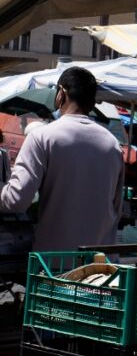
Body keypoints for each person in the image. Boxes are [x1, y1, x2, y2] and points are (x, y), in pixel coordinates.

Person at [0, 67, 123, 251]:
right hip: (99, 264)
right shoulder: (112, 144)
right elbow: (117, 208)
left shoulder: (42, 137)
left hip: (55, 264)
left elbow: (15, 200)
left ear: (61, 93)